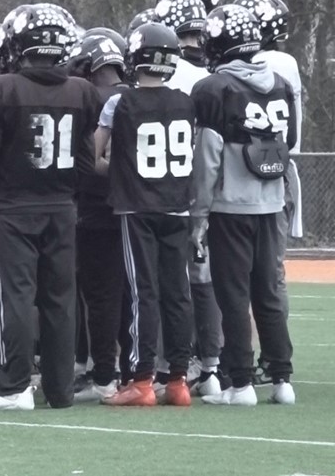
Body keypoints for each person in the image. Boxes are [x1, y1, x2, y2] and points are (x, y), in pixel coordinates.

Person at [0, 4, 100, 411]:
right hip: (62, 207)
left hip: (15, 207)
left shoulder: (1, 89)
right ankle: (60, 390)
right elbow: (84, 162)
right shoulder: (82, 91)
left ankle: (14, 386)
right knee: (60, 299)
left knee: (17, 296)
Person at [191, 4, 296, 406]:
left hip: (231, 207)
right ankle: (282, 379)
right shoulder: (281, 83)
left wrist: (198, 216)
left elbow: (208, 158)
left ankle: (241, 383)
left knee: (232, 295)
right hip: (272, 204)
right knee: (267, 292)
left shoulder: (214, 89)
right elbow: (288, 146)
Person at [94, 21, 195, 407]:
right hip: (177, 206)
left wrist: (121, 168)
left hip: (137, 206)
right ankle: (179, 379)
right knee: (178, 292)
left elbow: (96, 157)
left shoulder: (121, 102)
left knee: (144, 293)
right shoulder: (187, 100)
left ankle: (142, 379)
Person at [155, 0, 223, 397]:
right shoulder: (213, 74)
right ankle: (215, 364)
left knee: (175, 279)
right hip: (217, 187)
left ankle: (176, 363)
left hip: (173, 187)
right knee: (209, 276)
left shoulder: (175, 73)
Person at [235, 0, 302, 384]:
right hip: (279, 172)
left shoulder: (270, 64)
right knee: (270, 275)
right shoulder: (284, 65)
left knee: (250, 278)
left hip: (253, 178)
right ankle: (275, 361)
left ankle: (243, 360)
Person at [64, 30, 130, 403]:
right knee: (133, 293)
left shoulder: (87, 99)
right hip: (140, 207)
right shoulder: (136, 94)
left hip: (95, 207)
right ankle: (136, 368)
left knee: (100, 295)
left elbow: (88, 160)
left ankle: (104, 372)